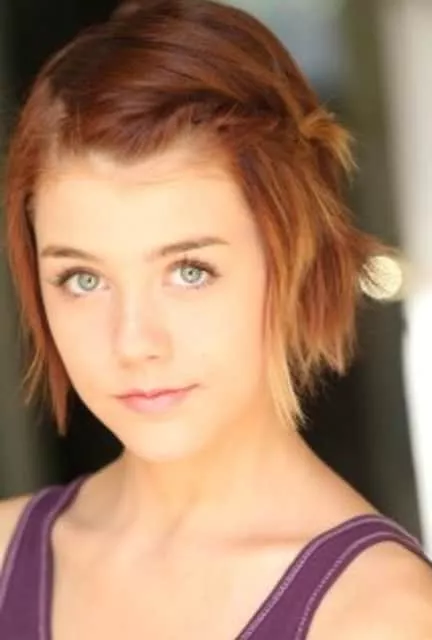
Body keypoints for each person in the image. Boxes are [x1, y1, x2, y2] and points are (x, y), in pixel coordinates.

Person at [0, 0, 431, 638]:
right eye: (83, 279)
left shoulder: (379, 615)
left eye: (189, 271)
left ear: (294, 258)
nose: (133, 341)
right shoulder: (6, 553)